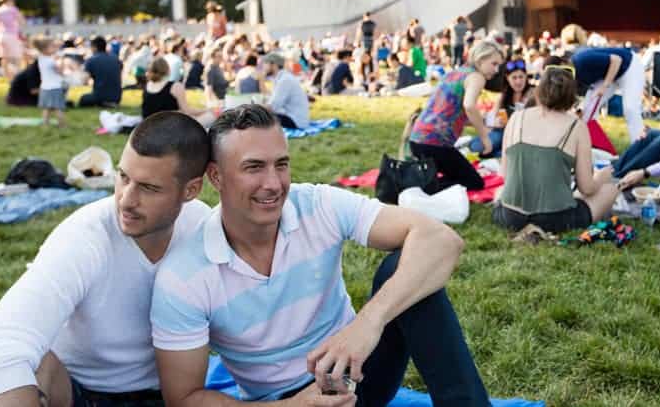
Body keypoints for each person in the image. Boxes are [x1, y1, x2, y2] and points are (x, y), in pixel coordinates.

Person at [150, 105, 490, 406]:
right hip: (281, 401)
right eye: (253, 167)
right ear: (215, 176)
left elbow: (442, 240)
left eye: (281, 164)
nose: (273, 183)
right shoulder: (183, 275)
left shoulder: (317, 204)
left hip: (355, 371)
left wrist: (367, 323)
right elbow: (184, 398)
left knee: (404, 266)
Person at [0, 112, 212, 407]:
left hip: (169, 393)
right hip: (76, 391)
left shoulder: (201, 228)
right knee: (31, 364)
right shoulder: (84, 237)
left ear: (191, 190)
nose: (126, 200)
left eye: (149, 188)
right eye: (123, 177)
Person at [493, 65, 617, 234]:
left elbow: (506, 175)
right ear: (571, 96)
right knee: (610, 189)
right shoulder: (577, 126)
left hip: (509, 216)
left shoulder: (516, 117)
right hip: (555, 220)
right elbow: (587, 188)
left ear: (540, 90)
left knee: (500, 191)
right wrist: (601, 178)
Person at [409, 40, 504, 191]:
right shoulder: (477, 77)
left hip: (417, 140)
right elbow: (469, 106)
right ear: (481, 59)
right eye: (494, 64)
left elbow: (455, 114)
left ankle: (421, 182)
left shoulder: (457, 72)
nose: (497, 70)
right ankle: (419, 187)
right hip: (435, 144)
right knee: (475, 182)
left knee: (460, 175)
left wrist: (486, 121)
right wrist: (485, 137)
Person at [571, 45, 646, 144]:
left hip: (630, 66)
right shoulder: (571, 76)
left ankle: (638, 146)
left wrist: (605, 86)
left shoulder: (582, 60)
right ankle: (591, 144)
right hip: (609, 73)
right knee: (587, 108)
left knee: (630, 108)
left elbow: (616, 60)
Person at [469, 58, 533, 159]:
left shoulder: (532, 93)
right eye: (514, 78)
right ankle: (497, 151)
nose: (518, 81)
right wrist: (495, 122)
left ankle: (497, 152)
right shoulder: (504, 95)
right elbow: (490, 119)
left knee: (499, 150)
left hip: (523, 136)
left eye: (521, 77)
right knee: (475, 146)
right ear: (507, 78)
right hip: (502, 132)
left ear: (526, 76)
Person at [142, 57, 215, 126]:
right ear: (167, 69)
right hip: (170, 126)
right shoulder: (175, 86)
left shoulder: (147, 86)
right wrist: (206, 110)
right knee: (210, 116)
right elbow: (188, 110)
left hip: (149, 125)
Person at [263, 51, 310, 129]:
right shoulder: (281, 78)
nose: (263, 67)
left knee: (258, 119)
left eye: (265, 63)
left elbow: (272, 107)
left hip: (295, 121)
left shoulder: (284, 80)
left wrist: (253, 110)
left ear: (274, 65)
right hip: (291, 117)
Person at [0, 0, 26, 80]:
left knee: (4, 58)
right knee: (16, 58)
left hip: (1, 36)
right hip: (11, 36)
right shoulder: (13, 9)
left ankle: (7, 76)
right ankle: (18, 77)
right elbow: (22, 22)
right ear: (10, 0)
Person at [33, 37, 67, 127]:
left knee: (46, 109)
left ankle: (45, 124)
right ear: (45, 49)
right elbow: (60, 71)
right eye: (52, 47)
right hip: (54, 88)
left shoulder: (41, 59)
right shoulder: (50, 61)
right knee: (58, 109)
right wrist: (62, 60)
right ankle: (62, 125)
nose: (55, 49)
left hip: (44, 88)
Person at [79, 36, 123, 107]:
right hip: (117, 97)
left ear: (94, 47)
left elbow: (84, 81)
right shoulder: (115, 58)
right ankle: (108, 103)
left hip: (100, 96)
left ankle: (103, 102)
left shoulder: (91, 60)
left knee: (83, 99)